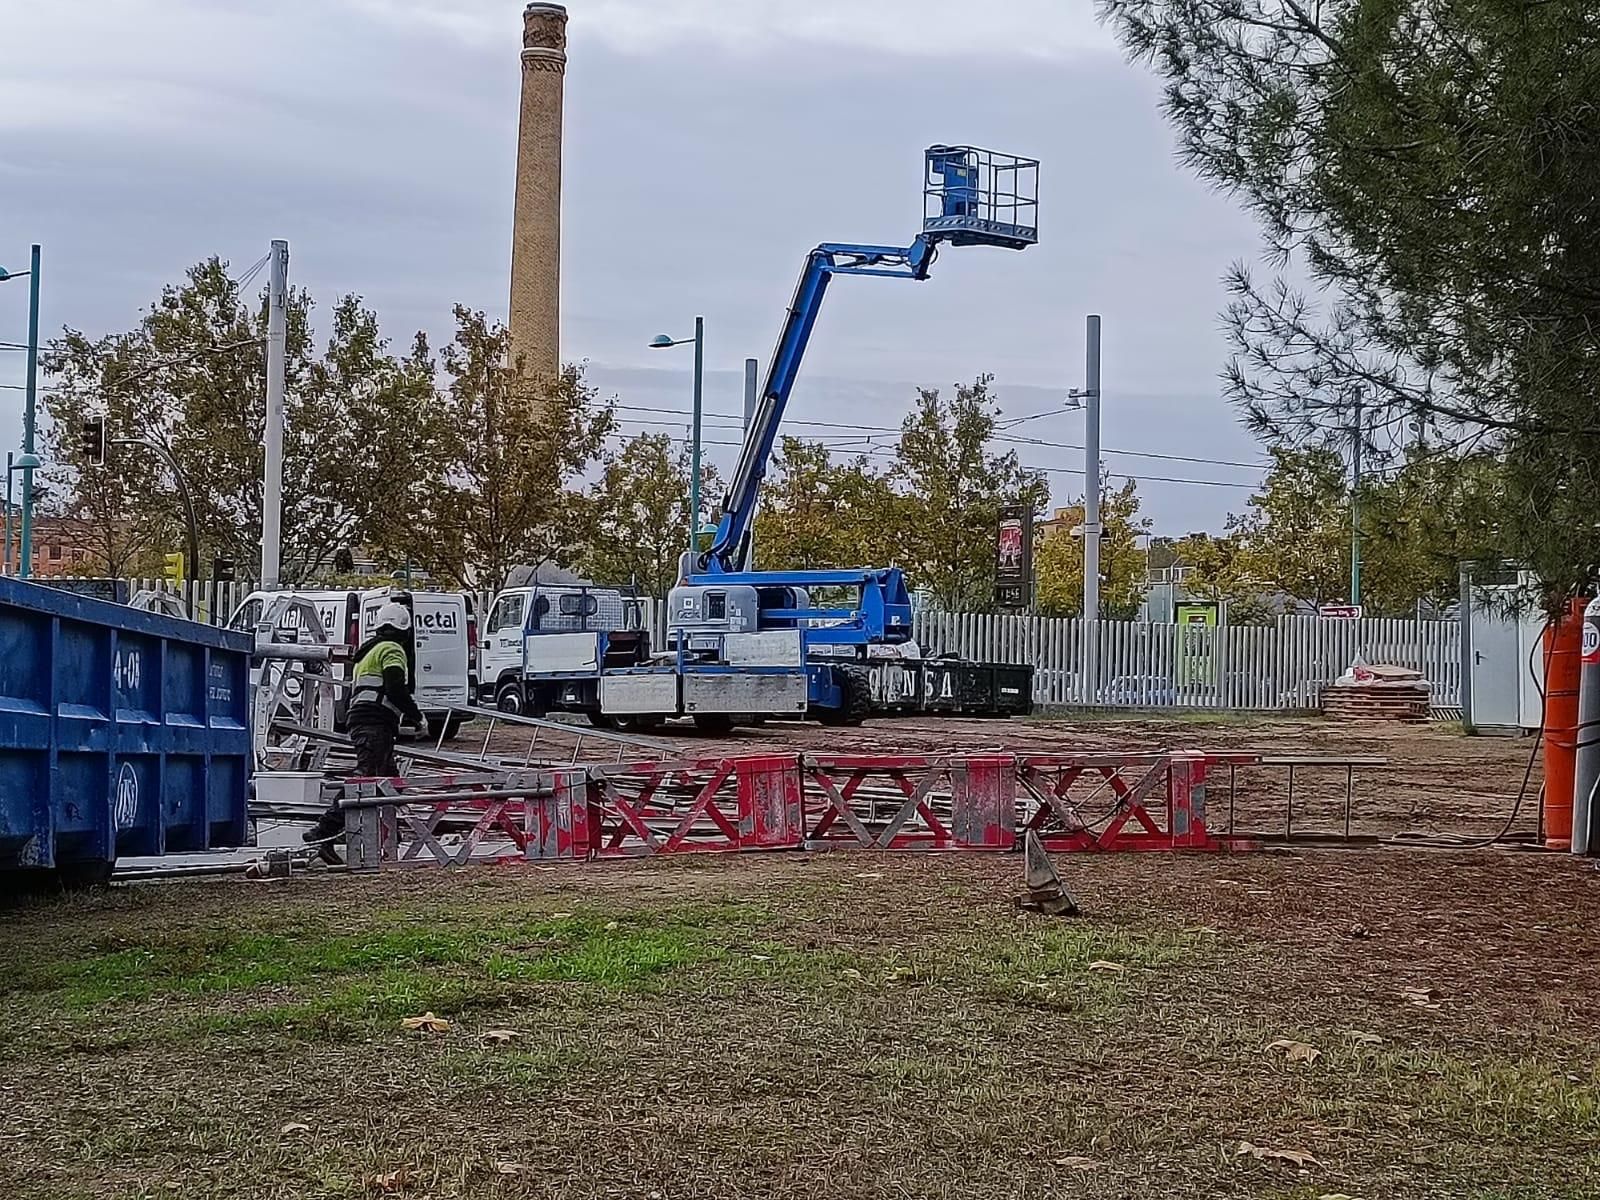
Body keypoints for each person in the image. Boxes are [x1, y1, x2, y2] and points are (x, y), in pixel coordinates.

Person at [304, 601, 425, 844]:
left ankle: (389, 835)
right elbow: (395, 688)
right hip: (374, 721)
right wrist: (417, 717)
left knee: (390, 781)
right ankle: (326, 830)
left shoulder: (367, 652)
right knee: (365, 778)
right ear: (405, 630)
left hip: (363, 718)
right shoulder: (391, 649)